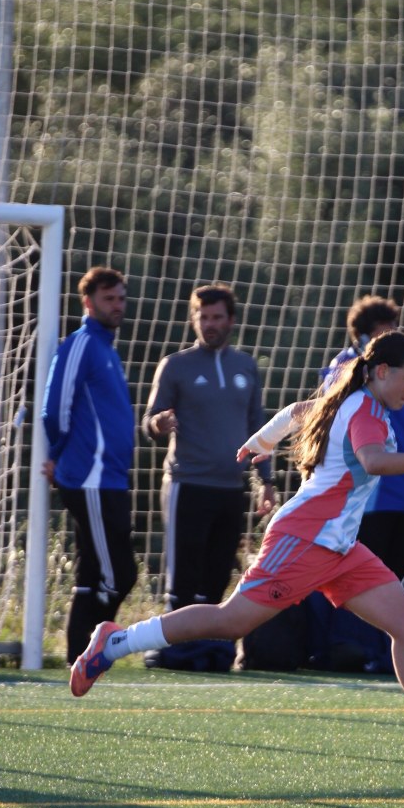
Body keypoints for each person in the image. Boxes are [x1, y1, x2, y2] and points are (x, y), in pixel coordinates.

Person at [69, 330, 404, 778]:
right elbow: (373, 461)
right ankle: (115, 642)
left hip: (339, 547)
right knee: (230, 621)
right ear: (381, 371)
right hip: (305, 539)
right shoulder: (367, 412)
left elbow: (297, 411)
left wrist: (262, 441)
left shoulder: (351, 400)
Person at [141, 282, 276, 667]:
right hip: (187, 484)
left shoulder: (245, 366)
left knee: (217, 578)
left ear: (231, 320)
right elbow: (148, 420)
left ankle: (209, 652)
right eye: (203, 317)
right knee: (183, 579)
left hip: (231, 488)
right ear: (194, 320)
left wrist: (267, 481)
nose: (210, 324)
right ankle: (174, 650)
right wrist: (158, 424)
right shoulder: (176, 365)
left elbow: (258, 428)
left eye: (217, 317)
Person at [41, 266, 138, 666]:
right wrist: (58, 454)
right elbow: (54, 408)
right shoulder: (80, 343)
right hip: (90, 479)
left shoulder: (107, 349)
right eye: (108, 298)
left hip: (109, 479)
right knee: (120, 575)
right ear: (88, 302)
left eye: (120, 298)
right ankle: (94, 651)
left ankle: (76, 655)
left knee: (92, 573)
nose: (116, 305)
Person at [321, 295, 404, 580]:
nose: (391, 341)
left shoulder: (402, 379)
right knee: (360, 584)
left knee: (396, 581)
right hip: (367, 502)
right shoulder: (346, 371)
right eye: (384, 334)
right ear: (362, 338)